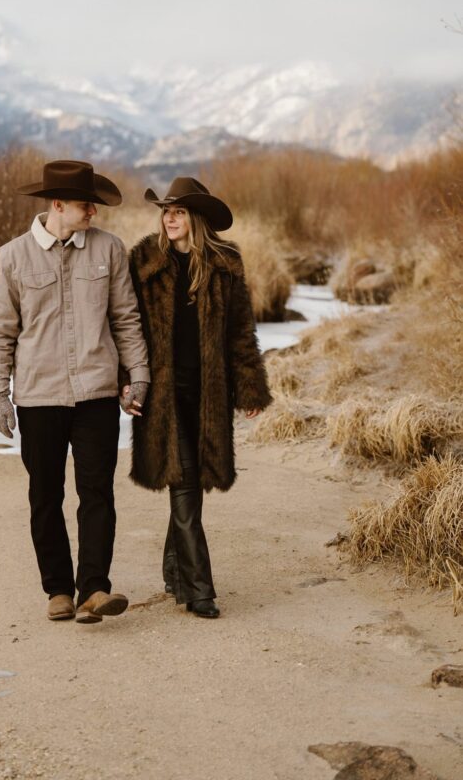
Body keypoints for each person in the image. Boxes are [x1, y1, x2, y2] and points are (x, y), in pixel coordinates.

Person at [0, 160, 150, 624]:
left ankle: (94, 588)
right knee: (45, 495)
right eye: (85, 205)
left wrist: (138, 375)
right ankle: (58, 590)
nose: (93, 212)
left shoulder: (110, 250)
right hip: (38, 397)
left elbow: (126, 318)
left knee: (97, 491)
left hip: (97, 391)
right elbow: (0, 332)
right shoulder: (11, 257)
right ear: (57, 205)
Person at [122, 177, 271, 618]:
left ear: (196, 218)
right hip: (162, 393)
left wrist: (250, 387)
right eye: (166, 210)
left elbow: (241, 331)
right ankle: (200, 590)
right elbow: (126, 328)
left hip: (209, 393)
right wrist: (126, 381)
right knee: (184, 482)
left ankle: (174, 570)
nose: (169, 218)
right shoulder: (144, 261)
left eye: (179, 211)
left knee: (190, 486)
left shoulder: (225, 263)